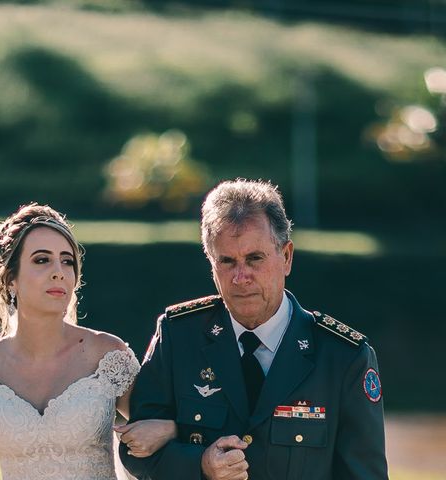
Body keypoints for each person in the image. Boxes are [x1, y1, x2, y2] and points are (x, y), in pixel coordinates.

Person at [118, 179, 388, 480]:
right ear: (211, 264)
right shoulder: (178, 335)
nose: (240, 276)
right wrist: (200, 465)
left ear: (286, 257)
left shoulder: (343, 357)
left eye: (254, 258)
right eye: (227, 261)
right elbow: (136, 449)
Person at [0, 203, 176, 480]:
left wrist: (171, 428)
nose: (59, 272)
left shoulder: (108, 356)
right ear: (10, 279)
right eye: (42, 260)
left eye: (67, 261)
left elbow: (157, 422)